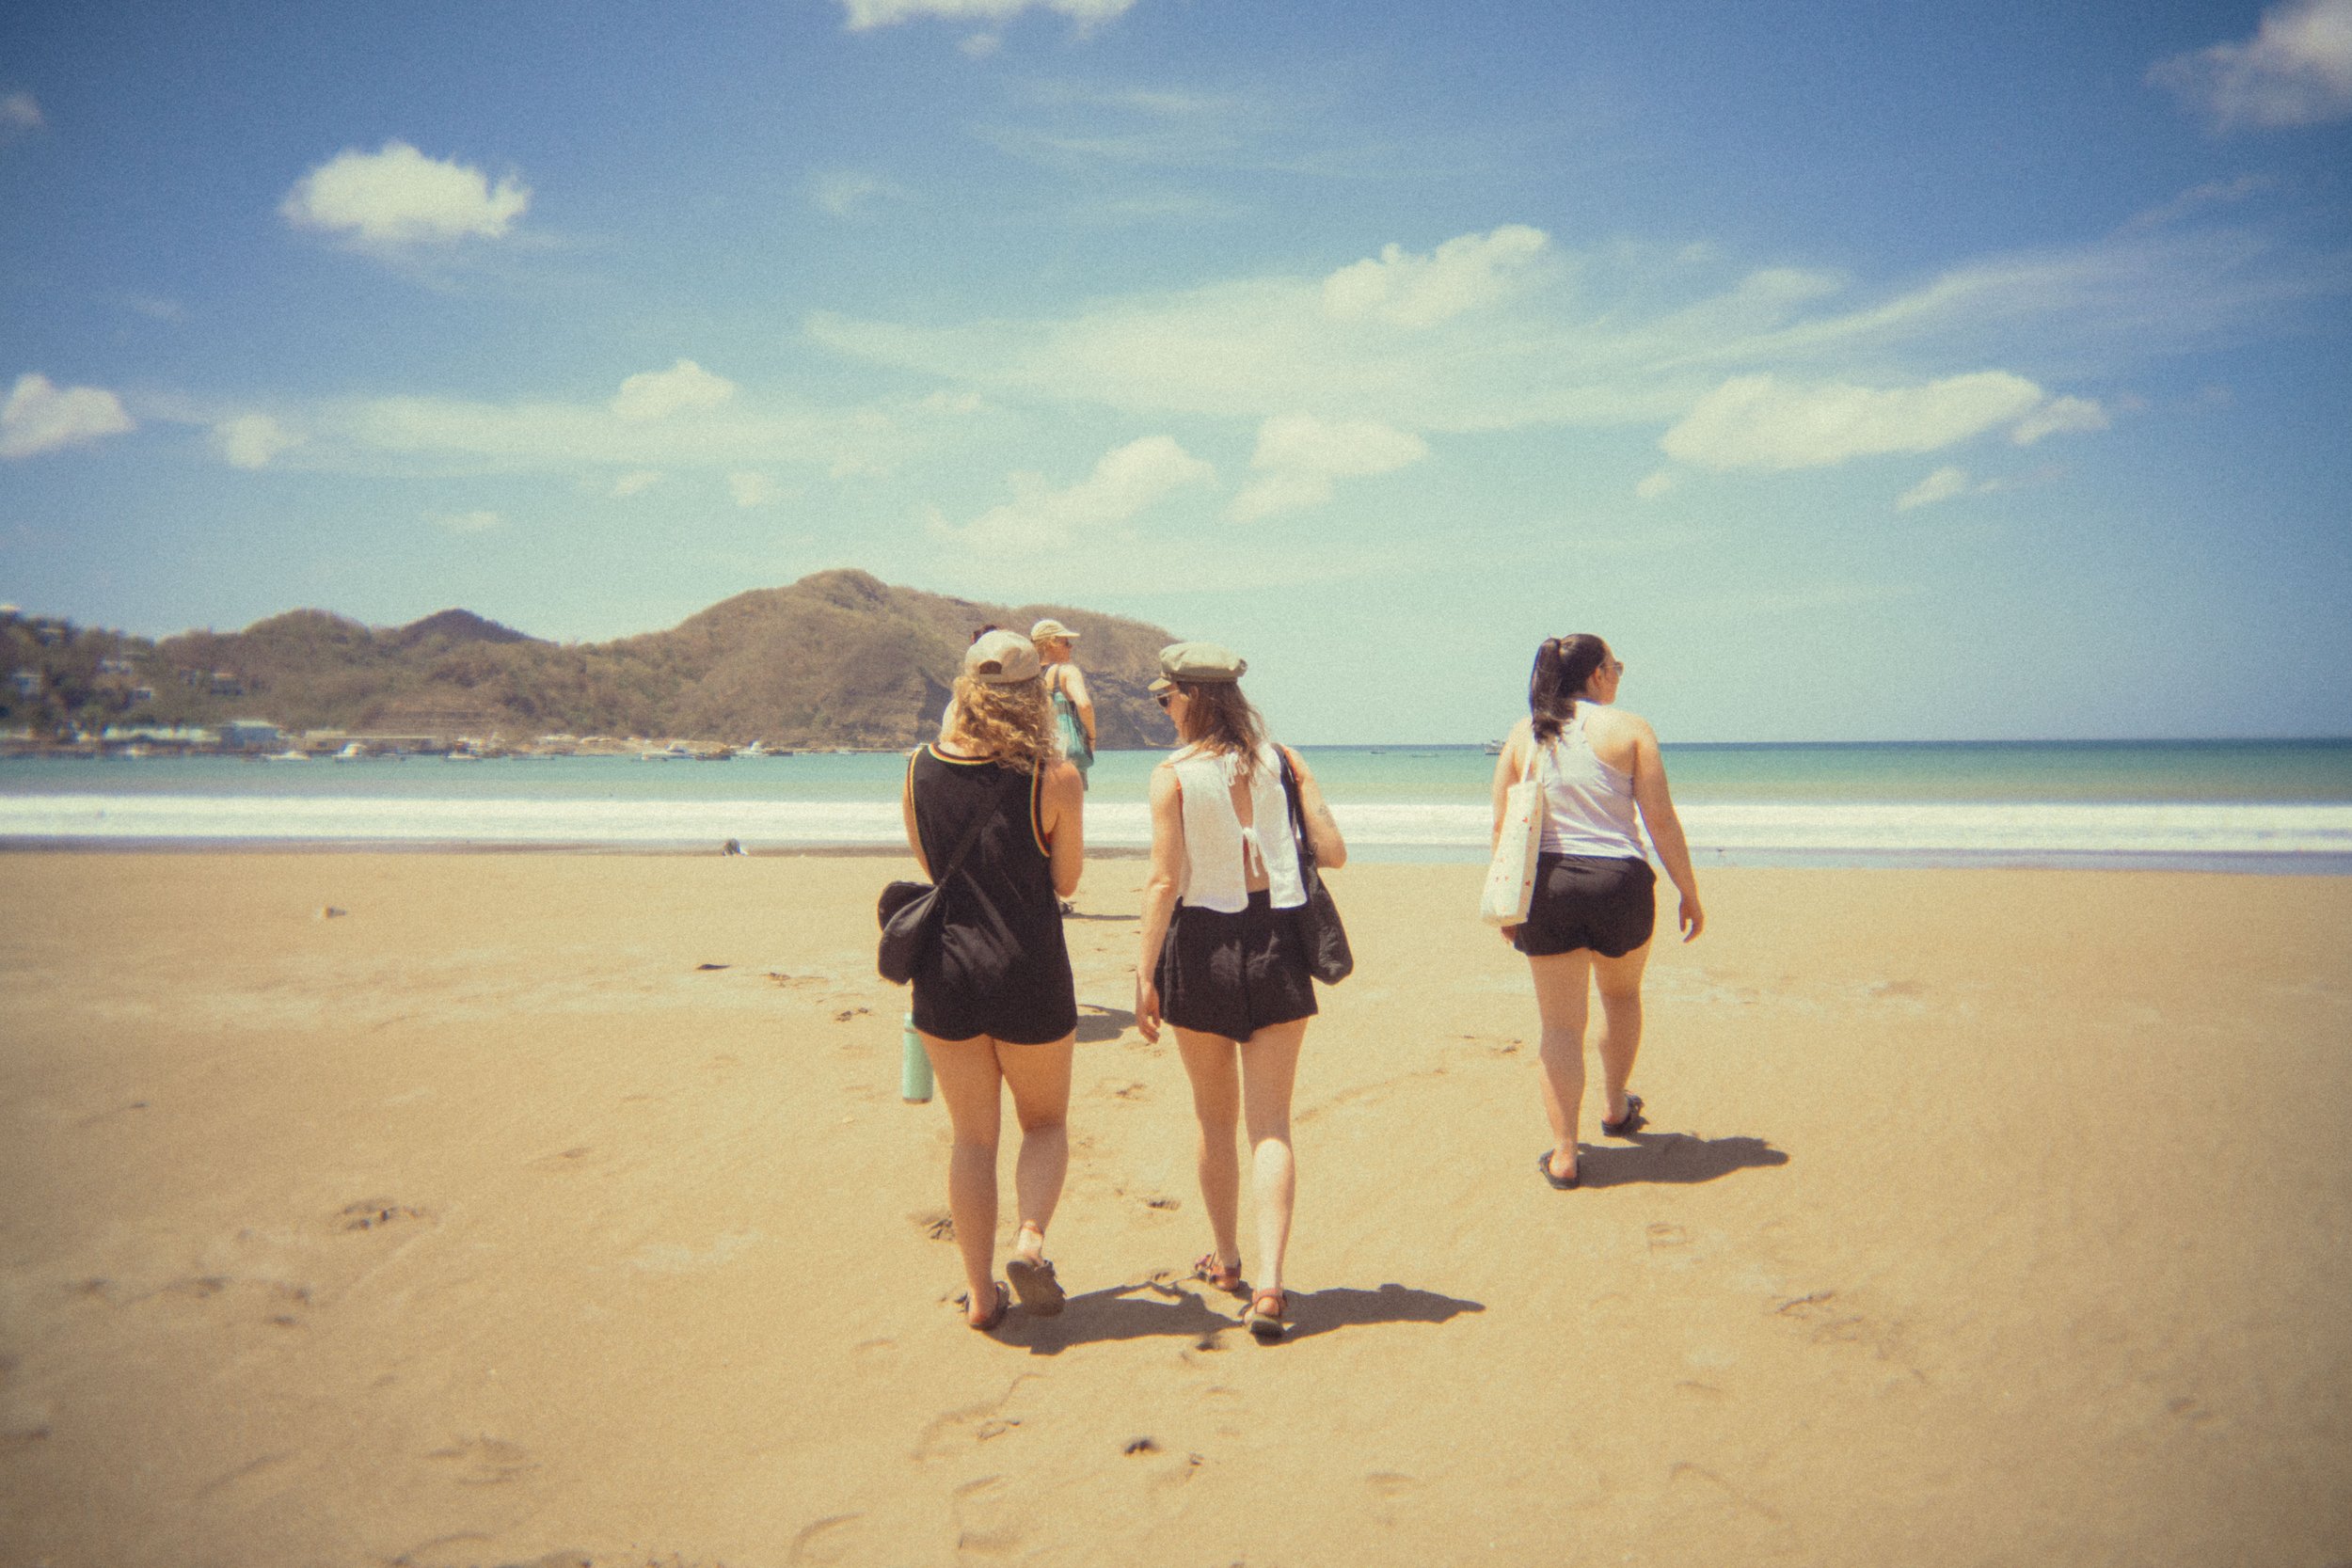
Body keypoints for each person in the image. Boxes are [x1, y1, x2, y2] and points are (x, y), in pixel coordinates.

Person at [1134, 641, 1346, 1340]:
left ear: (1189, 697)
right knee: (1272, 1126)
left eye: (1167, 698)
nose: (1165, 710)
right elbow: (1333, 850)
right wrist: (1301, 787)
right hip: (1277, 941)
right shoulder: (1282, 761)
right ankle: (1272, 1284)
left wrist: (1143, 972)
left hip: (1200, 944)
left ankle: (1226, 1261)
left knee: (1212, 1118)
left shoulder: (1172, 776)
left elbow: (1165, 881)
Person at [902, 629, 1087, 1330]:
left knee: (972, 1139)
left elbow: (931, 865)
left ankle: (980, 1294)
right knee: (1044, 1123)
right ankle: (1031, 1240)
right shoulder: (1053, 776)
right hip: (1030, 969)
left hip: (947, 972)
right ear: (1034, 693)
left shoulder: (918, 768)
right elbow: (1066, 879)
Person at [1489, 635, 1703, 1192]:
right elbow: (1660, 818)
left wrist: (1506, 904)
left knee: (1560, 1026)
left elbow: (1502, 827)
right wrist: (1688, 890)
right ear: (1597, 675)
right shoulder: (1630, 728)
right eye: (1616, 665)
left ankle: (1564, 1154)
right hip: (1619, 884)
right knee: (1621, 996)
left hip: (1549, 887)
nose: (1620, 674)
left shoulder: (1524, 733)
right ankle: (1614, 1105)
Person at [1030, 619, 1095, 791]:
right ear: (1052, 643)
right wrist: (1091, 738)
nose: (1071, 647)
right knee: (1070, 813)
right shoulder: (1066, 672)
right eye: (1067, 643)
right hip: (1065, 757)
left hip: (1035, 757)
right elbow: (1084, 705)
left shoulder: (1028, 676)